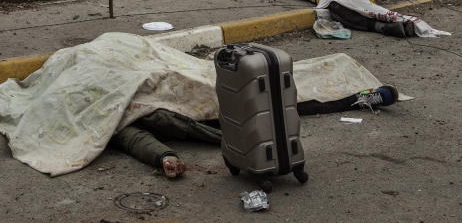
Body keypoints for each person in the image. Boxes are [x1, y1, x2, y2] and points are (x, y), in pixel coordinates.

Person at [111, 85, 398, 178]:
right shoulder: (107, 120)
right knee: (281, 105)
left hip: (185, 91)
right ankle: (356, 98)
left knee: (277, 90)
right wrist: (165, 157)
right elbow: (132, 138)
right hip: (205, 115)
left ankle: (355, 94)